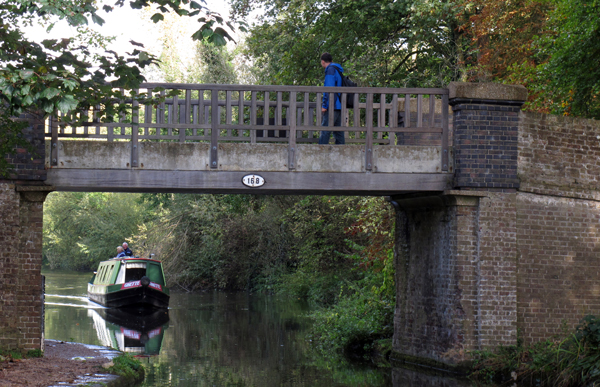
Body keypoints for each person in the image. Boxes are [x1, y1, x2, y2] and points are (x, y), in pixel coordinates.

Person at [318, 52, 345, 145]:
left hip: (332, 105)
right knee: (339, 132)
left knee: (325, 130)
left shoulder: (330, 70)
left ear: (323, 62)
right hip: (339, 104)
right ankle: (342, 153)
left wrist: (325, 105)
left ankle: (321, 152)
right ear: (332, 60)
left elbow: (329, 89)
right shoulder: (338, 69)